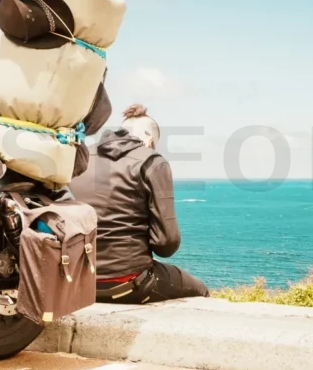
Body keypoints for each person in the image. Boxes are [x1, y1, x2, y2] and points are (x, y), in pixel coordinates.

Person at [68, 104, 209, 304]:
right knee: (199, 288)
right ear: (149, 139)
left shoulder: (79, 158)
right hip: (127, 284)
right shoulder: (152, 161)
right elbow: (165, 245)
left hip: (77, 281)